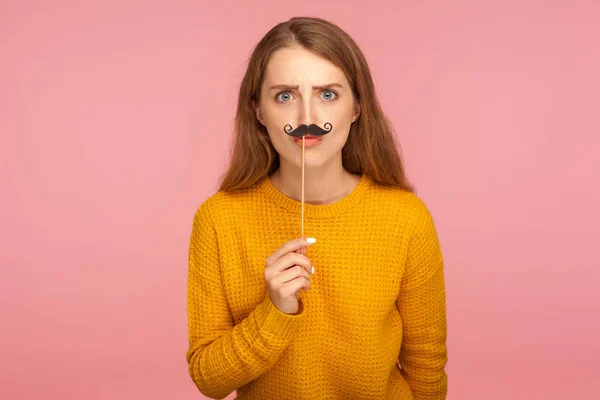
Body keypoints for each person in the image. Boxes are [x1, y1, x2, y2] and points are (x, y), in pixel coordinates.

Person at [186, 16, 448, 399]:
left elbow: (426, 367)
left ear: (357, 107)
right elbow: (209, 380)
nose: (307, 119)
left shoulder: (406, 219)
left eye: (328, 94)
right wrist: (275, 310)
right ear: (258, 111)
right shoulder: (219, 220)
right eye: (285, 96)